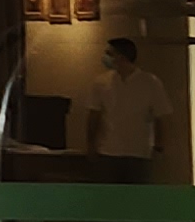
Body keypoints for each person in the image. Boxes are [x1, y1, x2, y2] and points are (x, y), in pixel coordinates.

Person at [77, 36, 180, 173]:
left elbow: (161, 117)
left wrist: (159, 147)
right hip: (108, 151)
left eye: (109, 53)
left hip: (139, 151)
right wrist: (91, 145)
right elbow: (94, 116)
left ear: (121, 56)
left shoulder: (150, 82)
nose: (105, 58)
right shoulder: (101, 82)